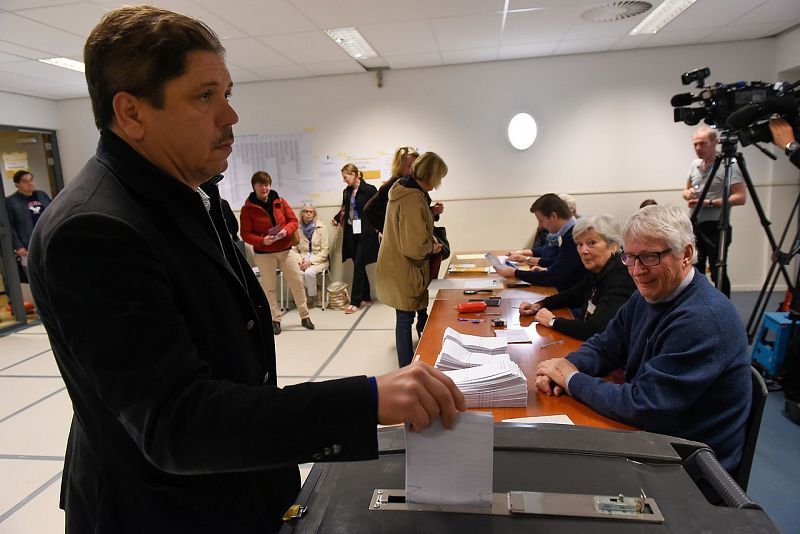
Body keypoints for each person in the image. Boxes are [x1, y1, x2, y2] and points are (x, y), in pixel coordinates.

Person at [26, 7, 464, 533]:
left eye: (227, 94)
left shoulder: (190, 191)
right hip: (163, 512)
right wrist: (366, 399)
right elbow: (177, 422)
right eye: (205, 96)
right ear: (132, 113)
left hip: (237, 484)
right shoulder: (95, 229)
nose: (230, 116)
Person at [534, 205, 751, 472]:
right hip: (654, 438)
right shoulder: (648, 295)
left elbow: (645, 404)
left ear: (686, 254)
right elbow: (605, 346)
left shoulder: (702, 319)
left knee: (556, 471)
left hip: (687, 466)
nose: (636, 270)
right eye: (630, 257)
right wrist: (567, 367)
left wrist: (571, 379)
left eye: (649, 257)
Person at [377, 152, 448, 367]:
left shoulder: (404, 189)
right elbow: (414, 246)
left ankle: (406, 369)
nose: (439, 183)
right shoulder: (412, 199)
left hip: (395, 264)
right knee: (405, 319)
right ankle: (407, 370)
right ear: (430, 176)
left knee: (404, 318)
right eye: (439, 178)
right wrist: (433, 247)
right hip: (404, 268)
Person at [519, 215, 636, 341]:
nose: (583, 250)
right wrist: (539, 305)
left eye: (592, 243)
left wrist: (553, 321)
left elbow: (594, 329)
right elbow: (574, 294)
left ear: (613, 245)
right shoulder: (600, 268)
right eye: (580, 244)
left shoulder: (621, 277)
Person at [241, 171, 314, 334]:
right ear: (254, 187)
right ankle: (275, 319)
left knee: (297, 282)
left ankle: (305, 316)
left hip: (285, 250)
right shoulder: (247, 209)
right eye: (260, 185)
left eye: (266, 184)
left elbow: (293, 221)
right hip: (264, 253)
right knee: (269, 288)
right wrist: (262, 240)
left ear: (270, 185)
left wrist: (286, 232)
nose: (264, 187)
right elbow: (245, 234)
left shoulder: (279, 201)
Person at [681, 125, 746, 297]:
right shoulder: (694, 165)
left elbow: (740, 197)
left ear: (715, 142)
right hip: (694, 224)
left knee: (718, 271)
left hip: (717, 226)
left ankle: (724, 308)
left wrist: (710, 202)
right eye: (695, 144)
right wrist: (689, 195)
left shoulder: (729, 165)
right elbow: (685, 191)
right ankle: (696, 304)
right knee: (694, 270)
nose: (698, 148)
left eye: (702, 144)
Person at [497, 193, 588, 290]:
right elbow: (560, 264)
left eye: (541, 221)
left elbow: (552, 277)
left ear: (553, 216)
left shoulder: (574, 236)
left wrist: (515, 273)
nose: (541, 226)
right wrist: (548, 269)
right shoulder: (568, 233)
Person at [332, 164, 379, 313]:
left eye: (345, 177)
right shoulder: (347, 191)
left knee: (358, 264)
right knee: (358, 264)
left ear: (354, 174)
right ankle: (366, 296)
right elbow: (344, 208)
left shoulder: (370, 190)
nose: (344, 180)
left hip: (365, 233)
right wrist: (336, 218)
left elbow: (379, 209)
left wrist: (379, 227)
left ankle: (355, 302)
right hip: (352, 232)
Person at [5, 170, 51, 282]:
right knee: (36, 278)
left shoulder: (42, 195)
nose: (30, 183)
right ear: (17, 185)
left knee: (51, 274)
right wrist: (18, 245)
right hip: (28, 244)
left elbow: (53, 212)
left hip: (47, 238)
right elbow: (10, 226)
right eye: (25, 181)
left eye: (31, 180)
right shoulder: (11, 201)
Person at [291, 203, 329, 306]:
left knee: (309, 273)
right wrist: (300, 260)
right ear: (301, 214)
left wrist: (310, 261)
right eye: (305, 211)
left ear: (314, 214)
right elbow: (294, 249)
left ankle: (313, 296)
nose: (308, 214)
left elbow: (325, 251)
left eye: (310, 212)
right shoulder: (296, 228)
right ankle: (303, 297)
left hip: (318, 261)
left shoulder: (321, 227)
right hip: (302, 260)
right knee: (295, 272)